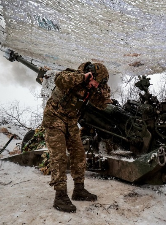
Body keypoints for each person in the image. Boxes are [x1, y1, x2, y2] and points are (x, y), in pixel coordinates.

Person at [41, 62, 112, 213]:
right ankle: (60, 196)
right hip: (54, 118)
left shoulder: (91, 88)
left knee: (79, 154)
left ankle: (79, 190)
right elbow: (59, 80)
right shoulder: (72, 76)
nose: (95, 85)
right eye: (95, 81)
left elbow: (102, 105)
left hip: (71, 121)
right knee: (59, 156)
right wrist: (82, 78)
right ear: (90, 74)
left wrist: (103, 90)